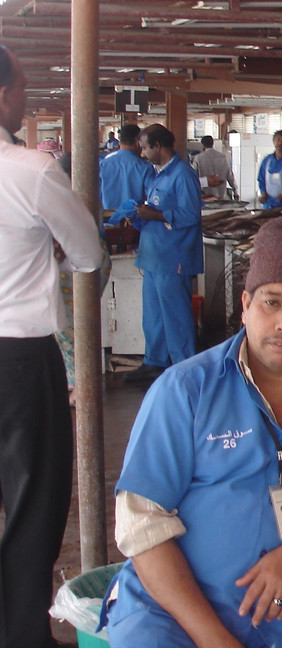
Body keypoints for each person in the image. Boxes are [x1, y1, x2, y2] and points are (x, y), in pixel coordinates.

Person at [103, 216, 282, 648]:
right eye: (271, 303)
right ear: (245, 305)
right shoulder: (186, 390)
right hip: (173, 611)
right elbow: (140, 527)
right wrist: (217, 641)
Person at [0, 45, 103, 648]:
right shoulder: (30, 171)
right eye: (20, 89)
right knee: (34, 502)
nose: (25, 99)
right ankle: (22, 637)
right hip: (18, 360)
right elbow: (87, 253)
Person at [127, 124, 203, 383]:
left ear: (158, 146)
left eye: (145, 147)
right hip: (153, 256)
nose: (143, 152)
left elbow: (191, 214)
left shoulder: (183, 176)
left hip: (173, 257)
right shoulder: (157, 175)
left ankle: (184, 368)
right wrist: (139, 215)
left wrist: (157, 215)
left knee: (175, 315)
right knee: (154, 315)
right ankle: (154, 361)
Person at [99, 123, 153, 212]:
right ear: (137, 143)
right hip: (135, 222)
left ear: (119, 142)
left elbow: (96, 195)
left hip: (108, 221)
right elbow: (152, 197)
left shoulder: (103, 164)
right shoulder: (145, 167)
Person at [193, 135, 237, 199]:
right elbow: (230, 176)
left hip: (205, 197)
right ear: (213, 144)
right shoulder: (223, 157)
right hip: (221, 196)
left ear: (202, 145)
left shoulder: (198, 158)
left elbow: (193, 177)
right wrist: (235, 190)